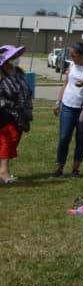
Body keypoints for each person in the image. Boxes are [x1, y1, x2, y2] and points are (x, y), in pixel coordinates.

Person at [52, 41, 83, 178]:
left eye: (74, 55)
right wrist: (58, 102)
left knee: (81, 139)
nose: (72, 58)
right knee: (63, 138)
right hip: (68, 105)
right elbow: (66, 83)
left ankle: (75, 169)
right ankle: (59, 169)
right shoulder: (72, 65)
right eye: (71, 55)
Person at [0, 45, 34, 184]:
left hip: (20, 114)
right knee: (7, 140)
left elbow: (26, 91)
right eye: (12, 57)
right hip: (4, 112)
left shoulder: (19, 72)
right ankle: (4, 173)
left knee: (13, 140)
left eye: (16, 57)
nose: (16, 60)